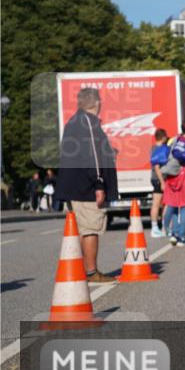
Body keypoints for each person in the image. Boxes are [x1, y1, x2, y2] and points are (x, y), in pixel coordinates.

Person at [54, 87, 118, 283]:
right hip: (86, 187)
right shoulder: (88, 123)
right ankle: (91, 272)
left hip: (75, 185)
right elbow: (92, 157)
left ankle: (83, 271)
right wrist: (99, 183)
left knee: (83, 228)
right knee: (91, 229)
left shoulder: (74, 122)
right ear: (97, 103)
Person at [149, 128, 169, 237]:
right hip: (160, 179)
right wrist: (162, 182)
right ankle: (162, 227)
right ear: (163, 137)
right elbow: (157, 166)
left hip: (154, 178)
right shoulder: (160, 149)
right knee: (165, 203)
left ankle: (155, 226)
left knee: (156, 204)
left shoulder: (152, 148)